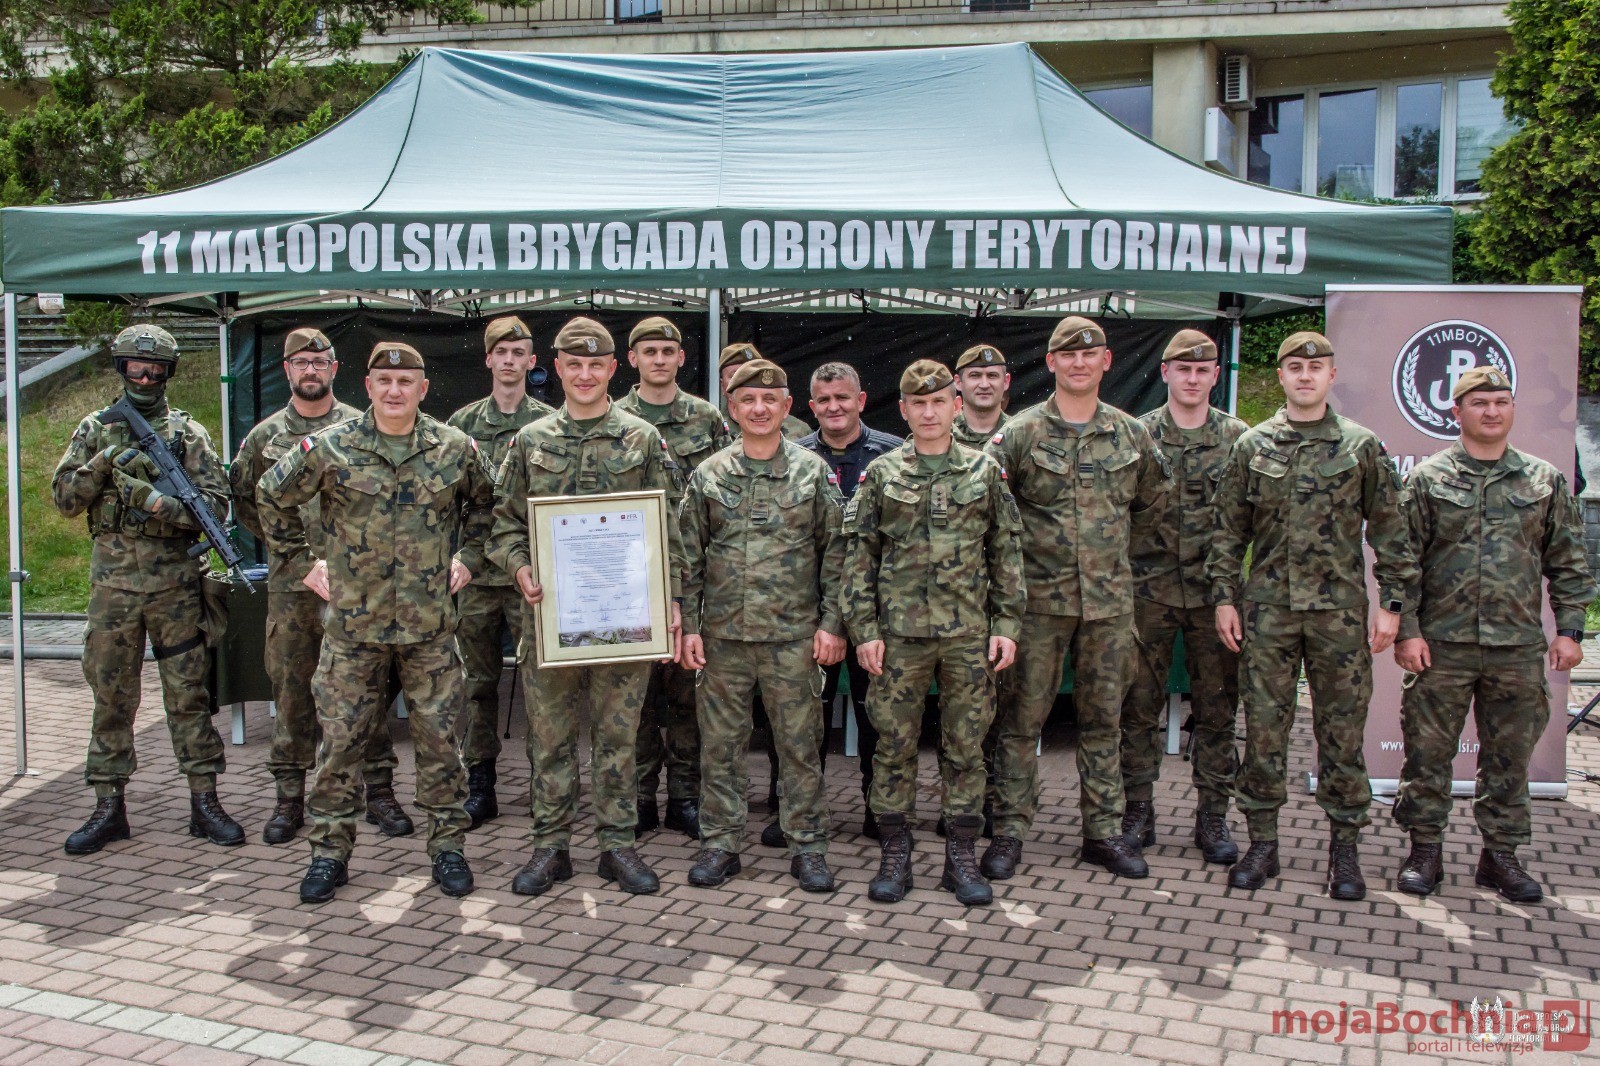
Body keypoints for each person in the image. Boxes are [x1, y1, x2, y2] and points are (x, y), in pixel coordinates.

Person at [258, 341, 493, 904]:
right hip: (353, 630)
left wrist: (470, 558)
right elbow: (270, 496)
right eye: (384, 381)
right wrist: (301, 563)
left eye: (405, 381)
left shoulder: (454, 448)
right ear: (367, 386)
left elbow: (491, 505)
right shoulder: (330, 446)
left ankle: (447, 847)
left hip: (429, 630)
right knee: (340, 744)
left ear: (422, 388)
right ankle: (329, 853)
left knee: (440, 742)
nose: (394, 390)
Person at [1208, 331, 1417, 901]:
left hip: (1339, 615)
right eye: (1295, 367)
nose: (1305, 375)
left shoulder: (1360, 446)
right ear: (1281, 375)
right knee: (1265, 731)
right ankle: (1262, 843)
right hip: (1268, 613)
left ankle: (1344, 850)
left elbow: (1392, 532)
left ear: (1331, 375)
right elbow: (1228, 532)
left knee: (1341, 734)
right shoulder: (1252, 446)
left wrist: (1393, 606)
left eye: (1316, 367)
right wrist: (1225, 598)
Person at [488, 316, 685, 897]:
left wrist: (672, 597)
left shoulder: (642, 439)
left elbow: (670, 527)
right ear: (557, 367)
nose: (584, 374)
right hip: (553, 619)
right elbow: (502, 524)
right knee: (549, 738)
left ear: (612, 369)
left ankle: (617, 845)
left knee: (618, 738)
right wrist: (519, 567)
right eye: (574, 364)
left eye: (595, 365)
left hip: (624, 619)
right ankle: (551, 846)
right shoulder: (531, 441)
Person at [1392, 366, 1594, 902]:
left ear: (1512, 409)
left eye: (1501, 401)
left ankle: (1500, 857)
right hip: (1442, 645)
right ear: (1456, 412)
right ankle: (1425, 851)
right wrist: (1407, 630)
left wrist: (1570, 630)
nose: (1491, 411)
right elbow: (1402, 563)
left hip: (1517, 648)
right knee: (1428, 754)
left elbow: (1569, 561)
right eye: (1479, 402)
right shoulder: (1429, 479)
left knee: (1509, 759)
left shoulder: (1543, 480)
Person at [984, 317, 1170, 881]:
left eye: (1090, 355)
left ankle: (1103, 833)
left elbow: (1150, 508)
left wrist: (1107, 559)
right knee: (1020, 722)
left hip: (1109, 608)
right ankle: (1009, 831)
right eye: (1067, 355)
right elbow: (991, 512)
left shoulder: (1131, 435)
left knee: (1103, 723)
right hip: (1038, 606)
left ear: (1107, 362)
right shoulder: (1020, 434)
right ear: (1051, 363)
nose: (1079, 363)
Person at [52, 323, 245, 855]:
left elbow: (214, 509)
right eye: (136, 367)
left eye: (155, 368)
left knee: (188, 696)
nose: (145, 377)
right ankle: (107, 806)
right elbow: (65, 500)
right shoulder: (96, 428)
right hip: (112, 589)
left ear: (168, 372)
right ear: (121, 368)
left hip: (175, 587)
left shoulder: (188, 434)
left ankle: (204, 801)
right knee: (111, 695)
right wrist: (103, 464)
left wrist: (154, 501)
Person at [842, 359, 1025, 906]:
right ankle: (895, 855)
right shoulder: (881, 474)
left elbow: (1006, 551)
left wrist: (1007, 624)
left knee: (966, 747)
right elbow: (860, 556)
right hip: (898, 638)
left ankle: (960, 858)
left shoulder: (984, 471)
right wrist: (864, 630)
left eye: (938, 401)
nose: (928, 412)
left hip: (968, 635)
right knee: (893, 746)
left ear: (955, 405)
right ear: (903, 410)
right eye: (918, 403)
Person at [230, 328, 409, 844]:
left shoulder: (363, 427)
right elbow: (249, 502)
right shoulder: (264, 438)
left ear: (334, 368)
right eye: (301, 362)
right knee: (292, 689)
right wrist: (295, 555)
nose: (310, 370)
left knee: (368, 690)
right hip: (293, 589)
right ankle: (289, 798)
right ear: (287, 370)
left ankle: (379, 791)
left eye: (319, 361)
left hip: (357, 587)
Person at [679, 359, 846, 892]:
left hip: (793, 638)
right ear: (731, 408)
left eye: (769, 400)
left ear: (786, 407)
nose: (759, 408)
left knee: (800, 748)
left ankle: (808, 846)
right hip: (723, 640)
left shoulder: (812, 472)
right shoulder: (709, 475)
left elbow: (836, 554)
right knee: (720, 748)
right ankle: (720, 844)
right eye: (748, 400)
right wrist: (689, 627)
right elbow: (689, 557)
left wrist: (832, 624)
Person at [1120, 330, 1247, 864]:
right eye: (1183, 369)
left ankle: (1212, 815)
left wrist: (1230, 592)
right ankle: (1137, 810)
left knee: (1217, 708)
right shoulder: (1136, 435)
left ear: (1216, 375)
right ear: (1165, 373)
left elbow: (1246, 521)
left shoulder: (1240, 439)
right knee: (1138, 706)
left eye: (1202, 370)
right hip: (1146, 591)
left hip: (1215, 594)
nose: (1192, 378)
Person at [616, 315, 731, 840]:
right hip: (630, 576)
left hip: (692, 570)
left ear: (681, 358)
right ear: (633, 359)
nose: (659, 359)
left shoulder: (707, 418)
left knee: (688, 692)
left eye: (668, 351)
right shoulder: (614, 419)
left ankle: (685, 796)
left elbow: (724, 489)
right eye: (649, 351)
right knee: (635, 694)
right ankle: (640, 796)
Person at [446, 316, 554, 829]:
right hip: (476, 577)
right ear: (488, 359)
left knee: (541, 686)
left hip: (531, 576)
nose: (509, 360)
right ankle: (480, 784)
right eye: (501, 352)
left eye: (518, 352)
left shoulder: (549, 425)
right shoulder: (461, 425)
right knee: (476, 685)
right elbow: (447, 500)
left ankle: (545, 786)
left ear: (532, 361)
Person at [795, 361, 903, 841]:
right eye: (824, 399)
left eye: (843, 397)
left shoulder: (892, 456)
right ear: (811, 406)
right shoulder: (795, 458)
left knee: (877, 716)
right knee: (805, 720)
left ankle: (879, 810)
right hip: (809, 610)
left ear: (861, 400)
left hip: (875, 613)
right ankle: (801, 811)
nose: (834, 407)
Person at [719, 343, 810, 440]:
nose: (744, 382)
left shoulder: (799, 431)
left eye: (752, 376)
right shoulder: (714, 430)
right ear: (722, 386)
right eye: (735, 376)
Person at [951, 344, 1012, 447]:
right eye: (975, 375)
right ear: (958, 382)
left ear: (1006, 381)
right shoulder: (941, 434)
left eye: (992, 375)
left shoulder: (1021, 434)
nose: (984, 385)